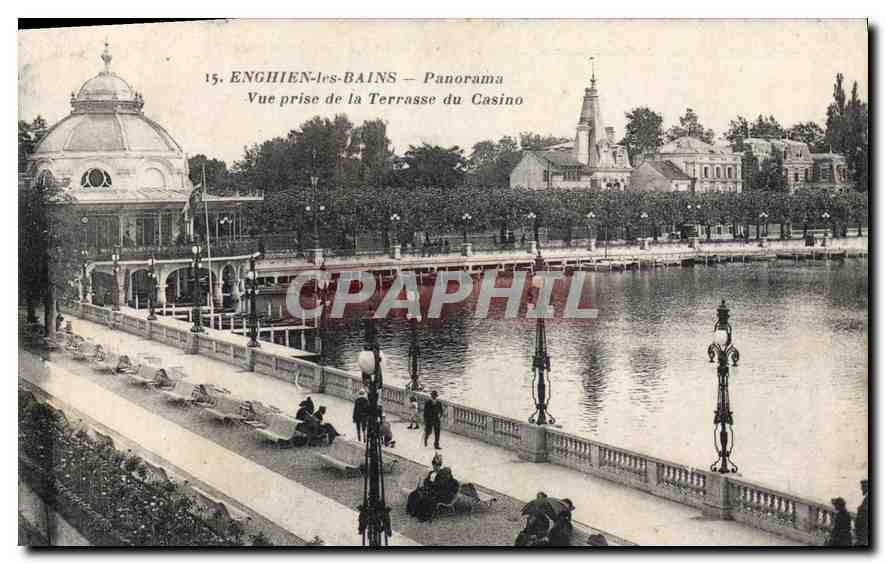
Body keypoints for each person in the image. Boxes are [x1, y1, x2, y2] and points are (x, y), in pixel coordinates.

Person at [406, 454, 460, 522]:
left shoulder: (446, 477)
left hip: (441, 495)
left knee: (426, 499)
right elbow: (427, 482)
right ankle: (412, 511)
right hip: (432, 491)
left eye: (437, 465)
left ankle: (422, 516)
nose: (435, 467)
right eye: (434, 465)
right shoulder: (432, 473)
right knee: (414, 494)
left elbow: (443, 487)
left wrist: (432, 488)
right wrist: (427, 486)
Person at [855, 479, 869, 546]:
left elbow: (864, 515)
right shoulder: (866, 498)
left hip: (863, 531)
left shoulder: (867, 499)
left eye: (863, 486)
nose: (861, 488)